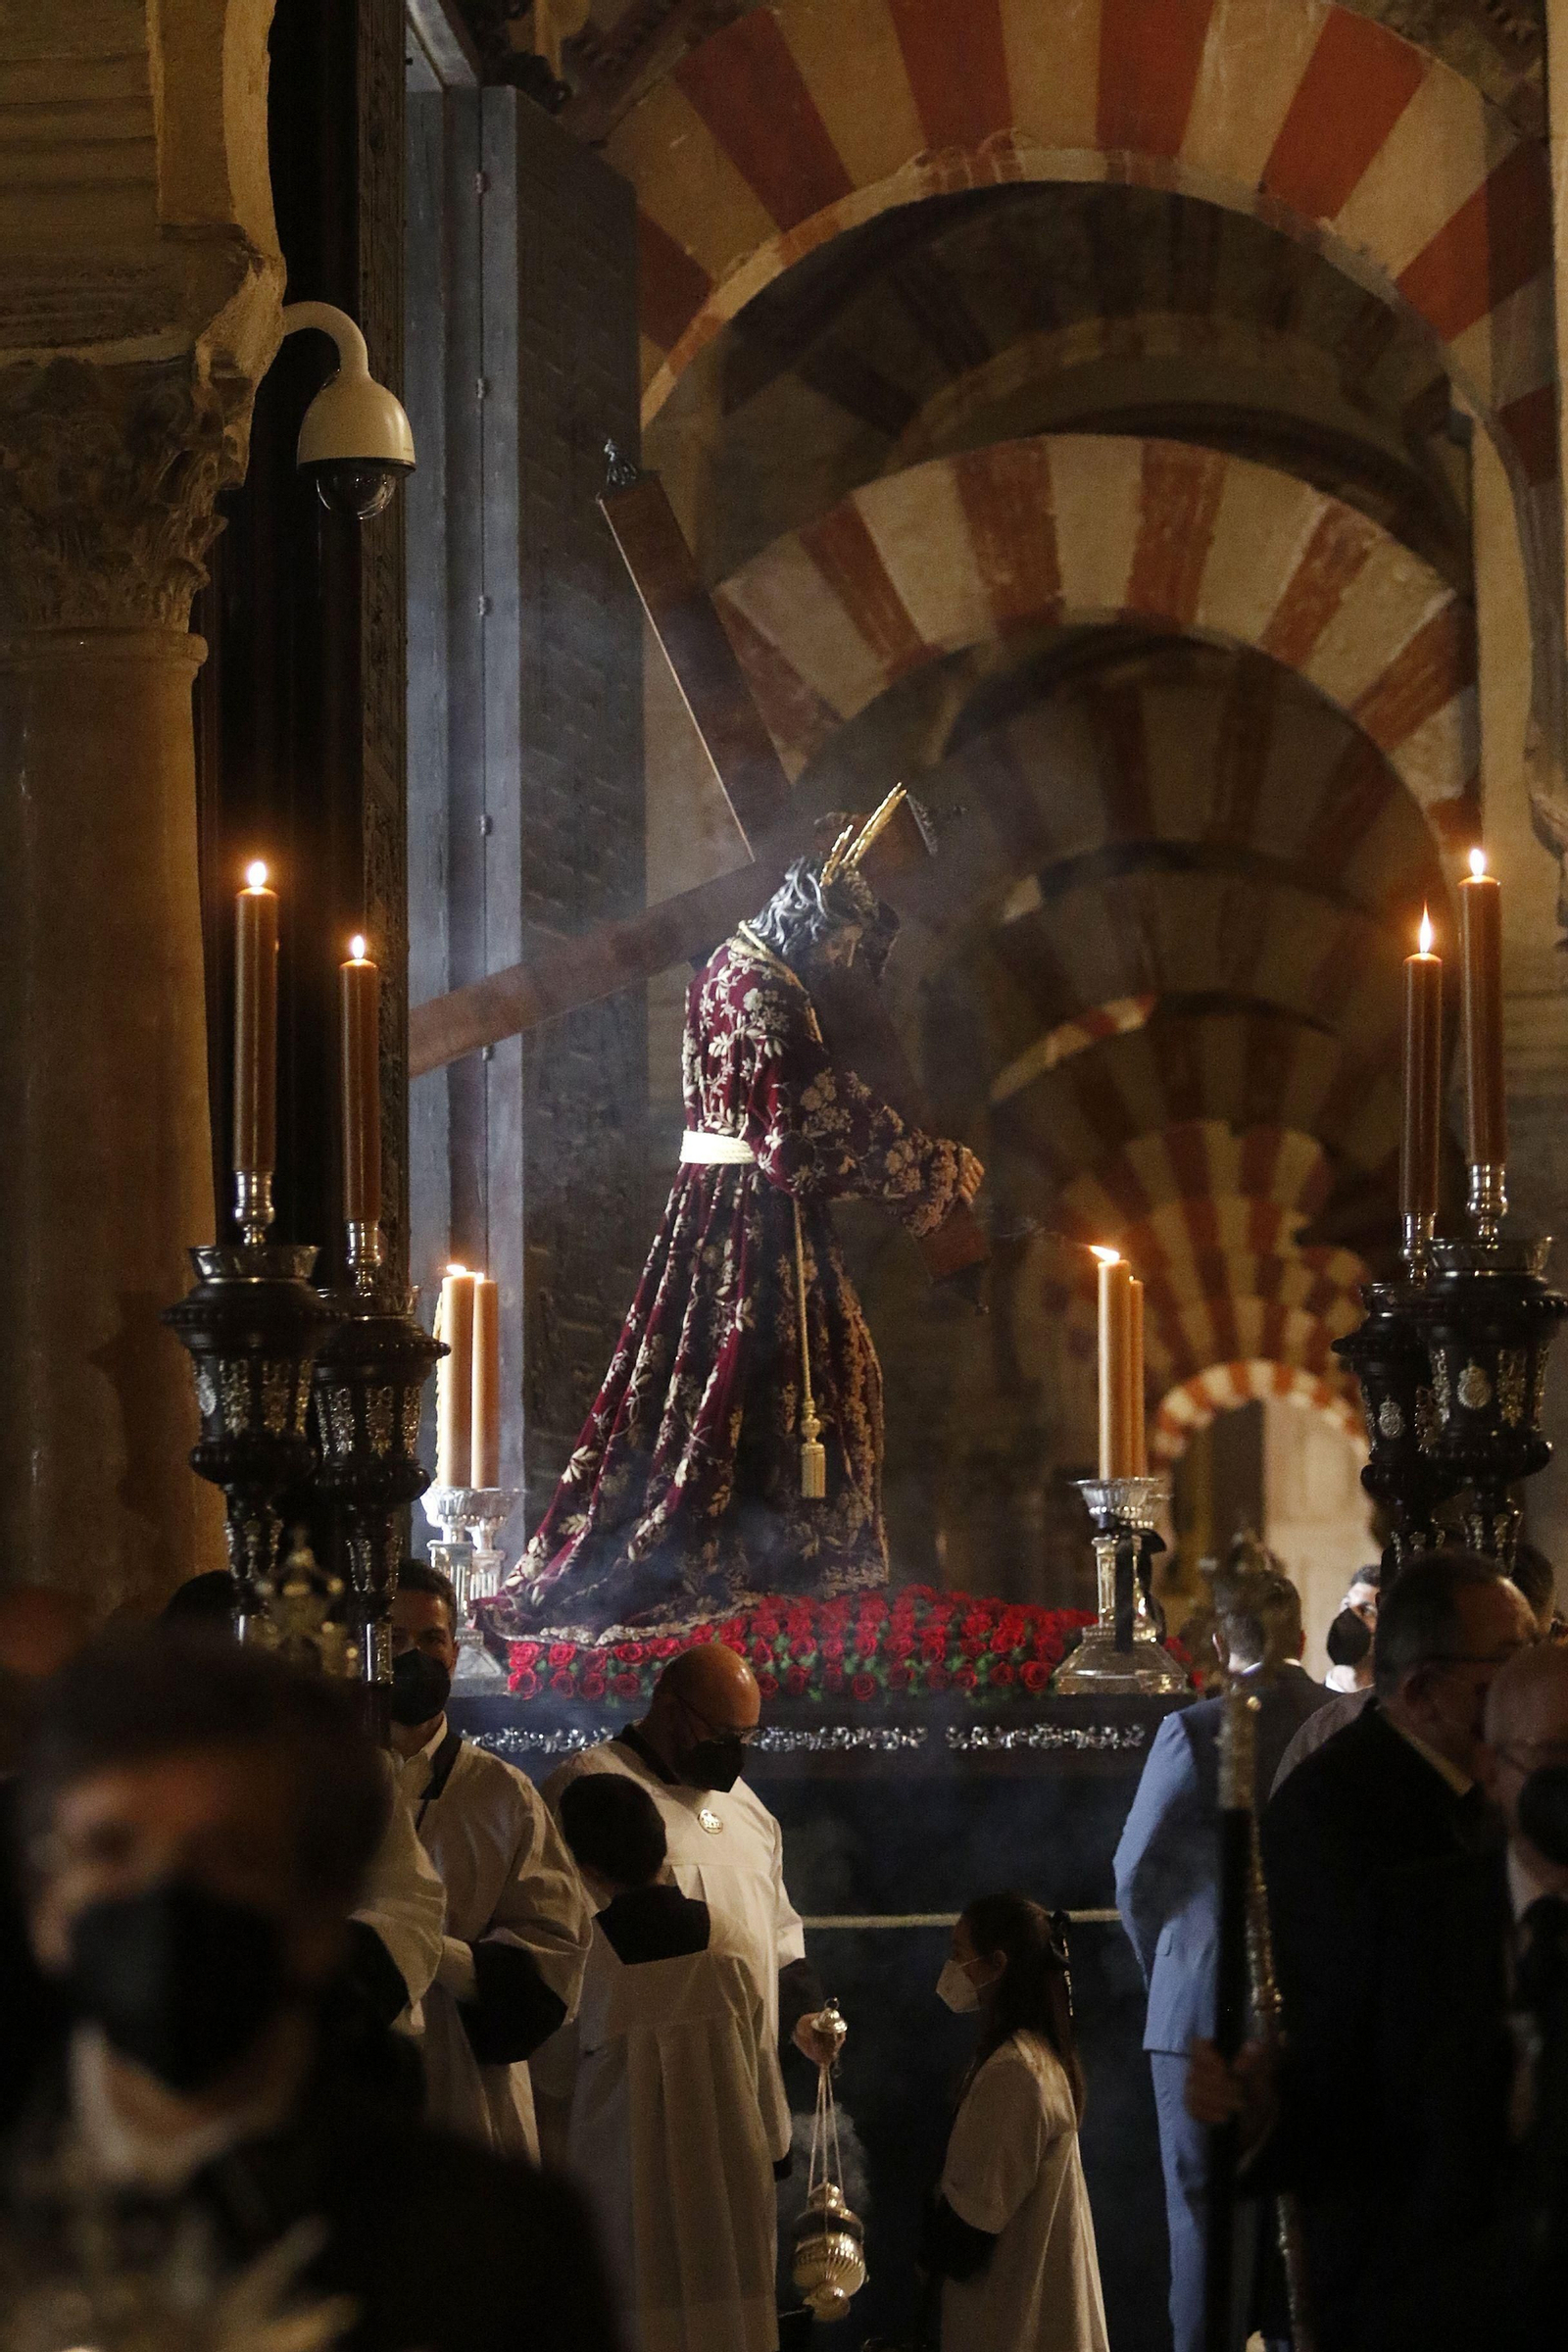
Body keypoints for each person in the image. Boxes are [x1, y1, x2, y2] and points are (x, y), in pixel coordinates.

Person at [0, 1626, 619, 2352]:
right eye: (110, 1848)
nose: (166, 1900)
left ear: (323, 1909)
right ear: (44, 1900)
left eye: (230, 1853)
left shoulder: (498, 2246)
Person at [498, 842, 983, 1639]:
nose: (844, 960)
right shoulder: (768, 993)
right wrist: (936, 1171)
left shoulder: (729, 960)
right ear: (812, 920)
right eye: (842, 944)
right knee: (780, 1383)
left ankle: (763, 1572)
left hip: (715, 1208)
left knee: (710, 1380)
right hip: (758, 1219)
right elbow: (807, 1129)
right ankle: (781, 1584)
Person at [1188, 1640, 1568, 2351]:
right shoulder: (1411, 1923)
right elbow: (1337, 2119)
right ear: (1492, 1769)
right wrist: (1261, 2111)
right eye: (1553, 1763)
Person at [1113, 1559, 1327, 2352]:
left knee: (1208, 2230)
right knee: (1309, 2222)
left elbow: (1135, 1872)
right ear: (1302, 1635)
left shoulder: (1195, 1729)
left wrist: (1169, 1970)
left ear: (1215, 1641)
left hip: (1198, 2009)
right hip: (1312, 2003)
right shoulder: (1344, 1719)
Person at [161, 1569, 447, 2056]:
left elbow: (408, 1906)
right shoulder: (131, 1773)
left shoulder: (345, 1769)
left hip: (316, 2042)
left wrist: (319, 1981)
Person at [555, 1771, 792, 2352]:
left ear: (584, 1869)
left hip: (624, 2201)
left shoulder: (585, 1962)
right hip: (726, 2187)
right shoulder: (732, 1941)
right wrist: (778, 2150)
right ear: (663, 1839)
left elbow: (554, 2088)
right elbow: (763, 2068)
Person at [543, 1642, 835, 2066]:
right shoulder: (592, 1790)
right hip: (641, 2066)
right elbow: (563, 1934)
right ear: (667, 1706)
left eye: (745, 1736)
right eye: (720, 1734)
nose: (733, 1751)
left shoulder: (748, 1809)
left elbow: (776, 1931)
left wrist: (803, 2015)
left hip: (745, 2067)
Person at [389, 1561, 592, 2157]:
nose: (415, 1655)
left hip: (469, 2090)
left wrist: (436, 1952)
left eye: (430, 1639)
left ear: (454, 1651)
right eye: (396, 1640)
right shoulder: (327, 1783)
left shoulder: (502, 1795)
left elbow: (555, 1959)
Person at [923, 1894, 1107, 2352]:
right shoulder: (1037, 2059)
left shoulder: (1016, 2073)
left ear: (996, 1965)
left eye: (959, 1954)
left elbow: (972, 2227)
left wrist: (925, 2249)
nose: (951, 1969)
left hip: (1014, 2325)